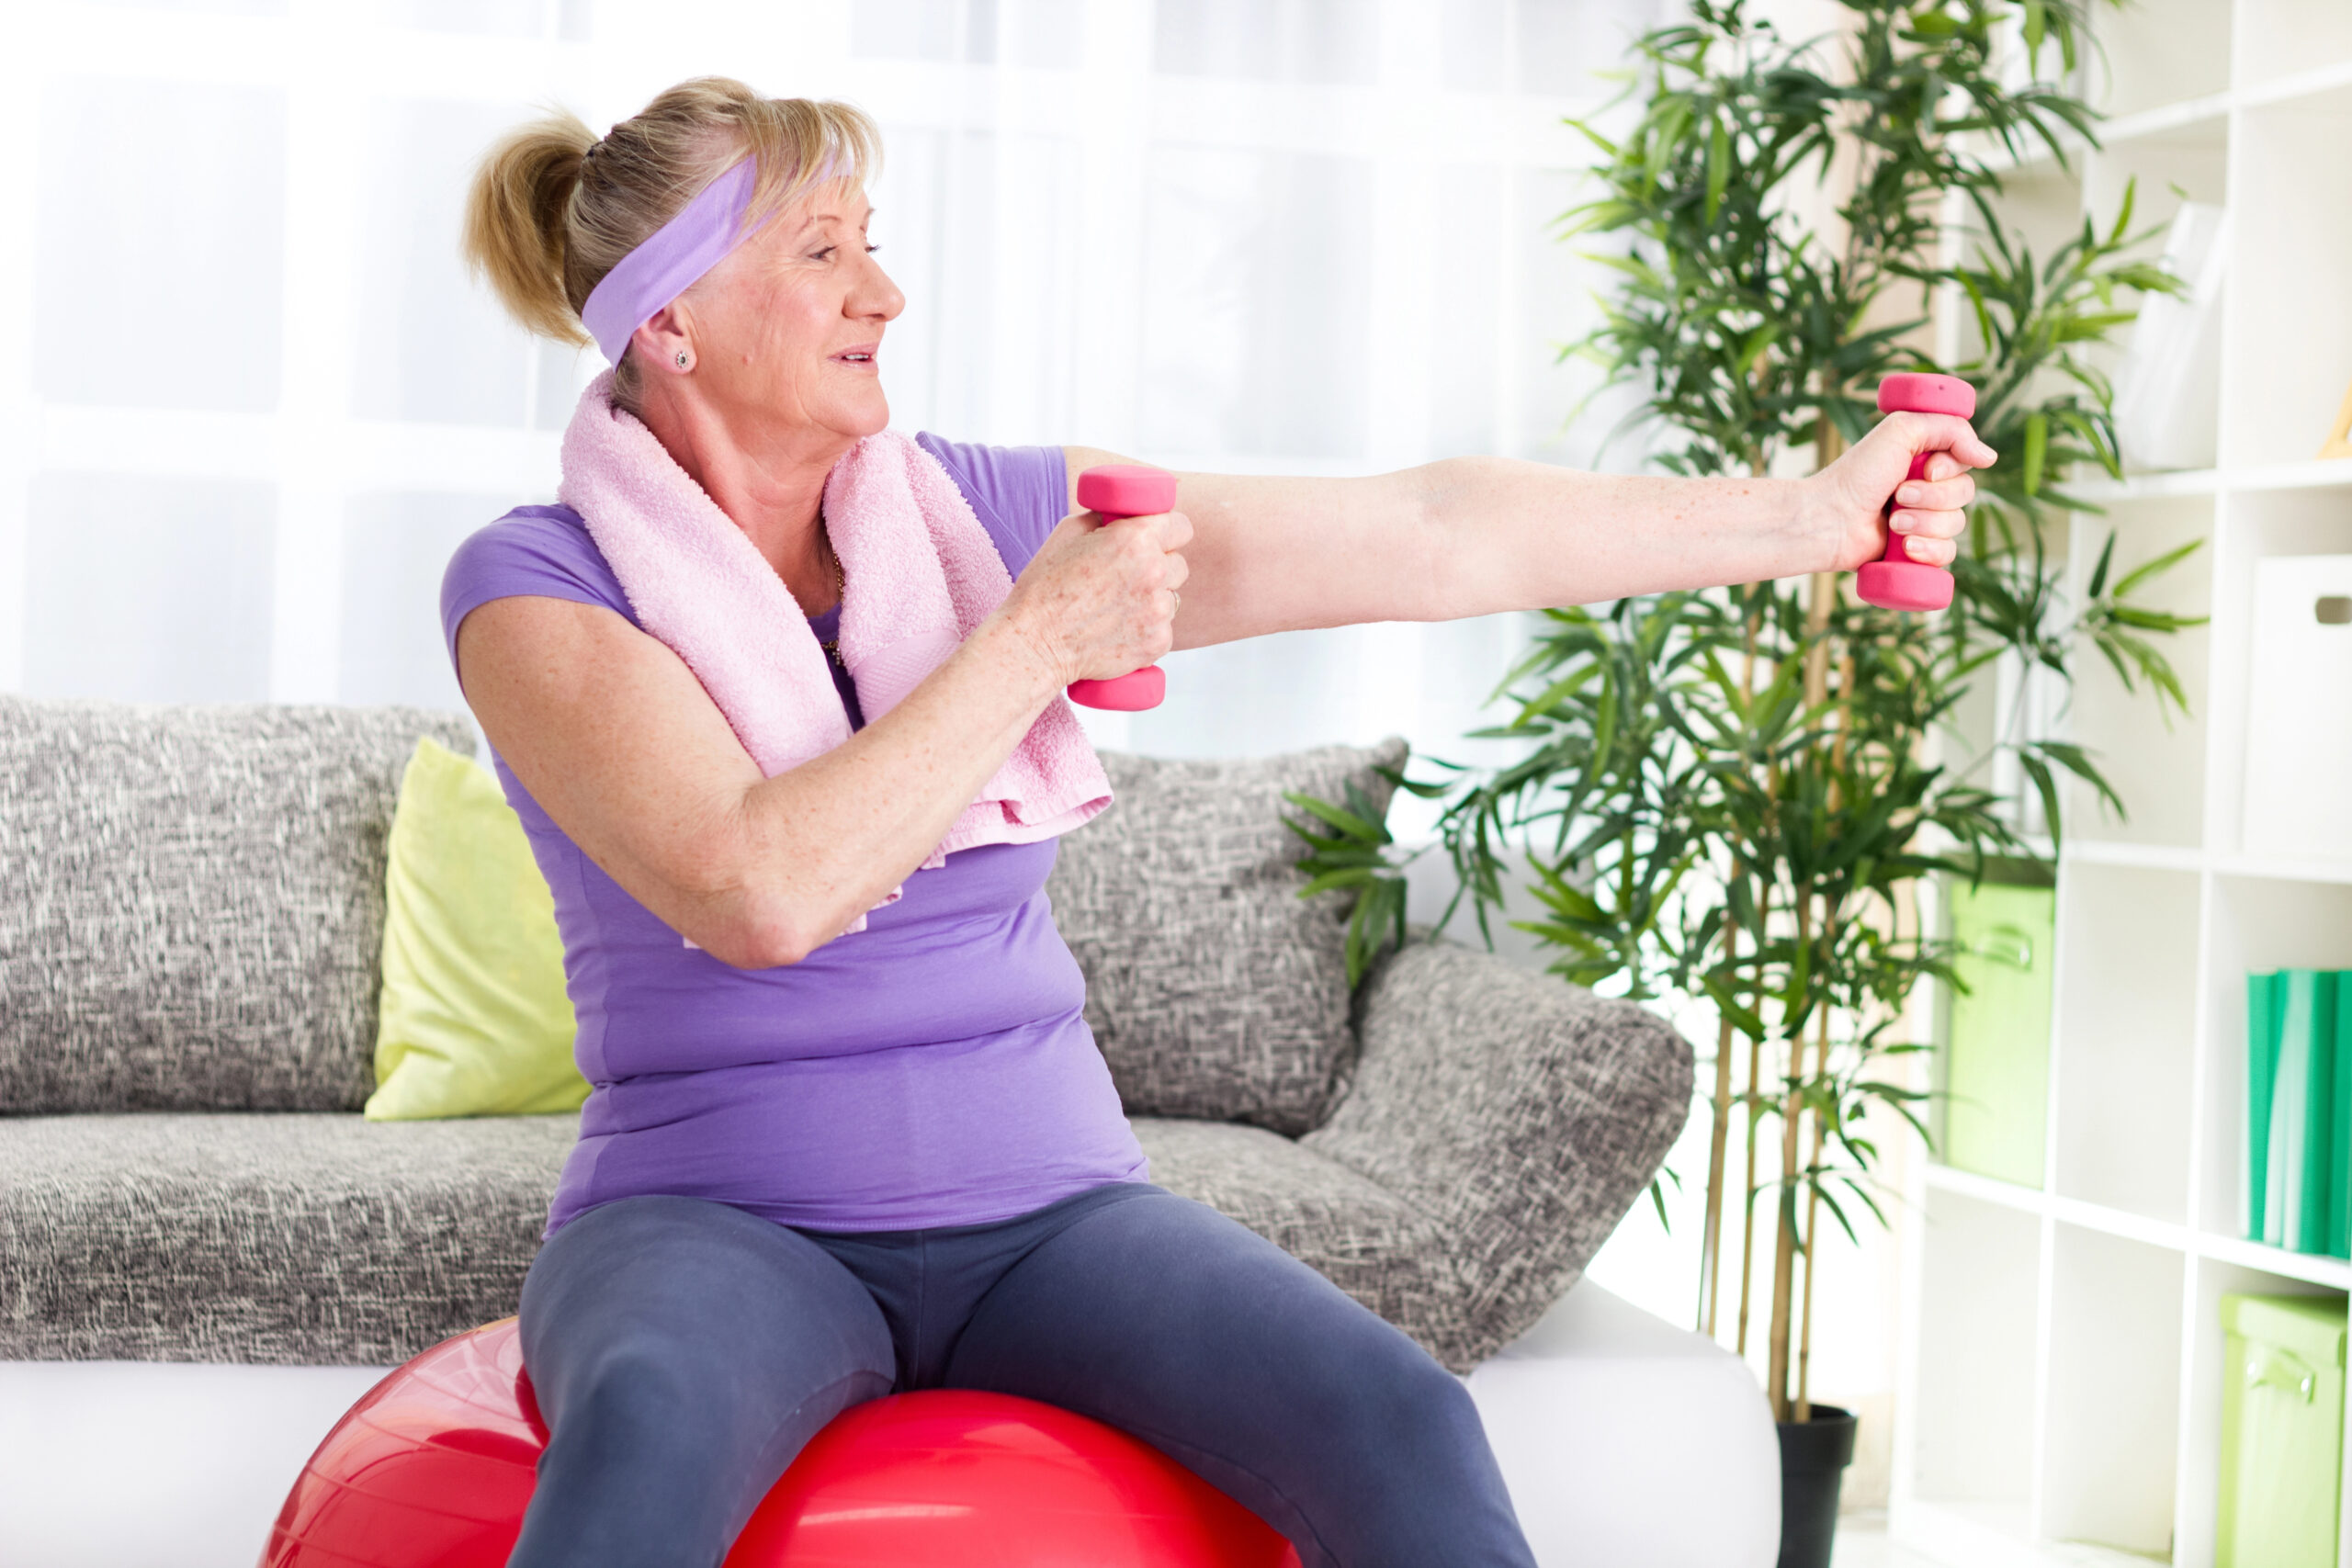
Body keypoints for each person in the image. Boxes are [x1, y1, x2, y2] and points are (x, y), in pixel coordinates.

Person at [449, 77, 1993, 1568]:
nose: (886, 294)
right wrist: (1038, 641)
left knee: (1401, 1415)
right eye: (824, 252)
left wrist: (1812, 517)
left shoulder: (979, 518)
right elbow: (761, 889)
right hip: (716, 1220)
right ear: (671, 321)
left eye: (873, 240)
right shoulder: (539, 588)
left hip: (1049, 1213)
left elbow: (1430, 534)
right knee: (645, 1426)